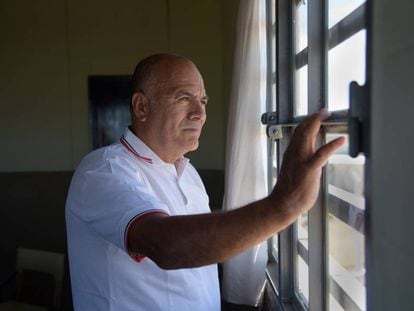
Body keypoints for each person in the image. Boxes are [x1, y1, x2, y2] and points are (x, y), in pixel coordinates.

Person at [66, 53, 344, 311]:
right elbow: (165, 246)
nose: (200, 113)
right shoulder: (103, 171)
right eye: (184, 98)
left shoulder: (188, 174)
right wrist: (285, 204)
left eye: (203, 101)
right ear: (141, 106)